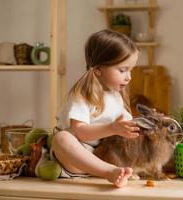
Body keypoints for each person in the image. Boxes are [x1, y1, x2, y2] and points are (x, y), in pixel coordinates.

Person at [52, 29, 140, 187]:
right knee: (62, 138)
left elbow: (126, 124)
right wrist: (113, 128)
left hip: (102, 153)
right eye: (122, 70)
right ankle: (109, 172)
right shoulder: (82, 94)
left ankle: (112, 169)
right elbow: (80, 132)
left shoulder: (115, 95)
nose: (129, 77)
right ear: (98, 69)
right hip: (75, 156)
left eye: (130, 70)